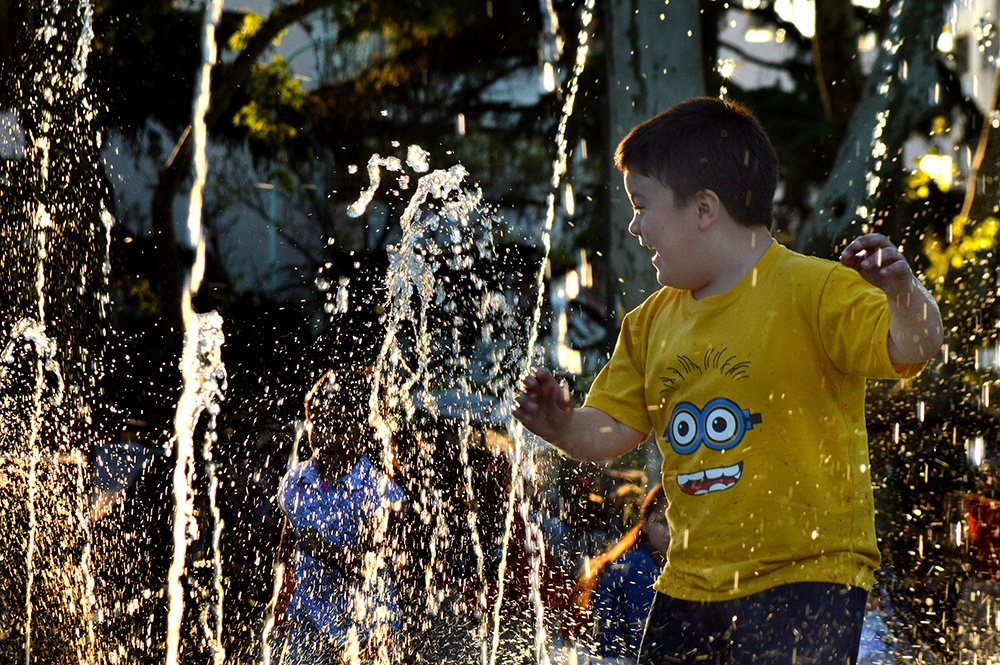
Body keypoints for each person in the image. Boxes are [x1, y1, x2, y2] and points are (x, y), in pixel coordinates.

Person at [513, 97, 944, 664]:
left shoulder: (813, 291)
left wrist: (902, 293)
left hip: (807, 577)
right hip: (689, 584)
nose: (636, 227)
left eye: (643, 206)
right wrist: (562, 425)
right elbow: (612, 431)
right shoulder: (648, 325)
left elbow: (915, 345)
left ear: (704, 208)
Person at [274, 368, 406, 665]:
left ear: (366, 430)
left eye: (342, 427)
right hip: (308, 617)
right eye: (318, 425)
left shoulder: (382, 493)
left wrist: (326, 551)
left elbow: (376, 564)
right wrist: (281, 597)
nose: (328, 438)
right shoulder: (295, 483)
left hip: (368, 625)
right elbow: (286, 544)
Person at [575, 483, 669, 662]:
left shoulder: (637, 557)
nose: (671, 531)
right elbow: (643, 642)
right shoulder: (640, 565)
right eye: (662, 522)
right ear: (645, 524)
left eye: (678, 522)